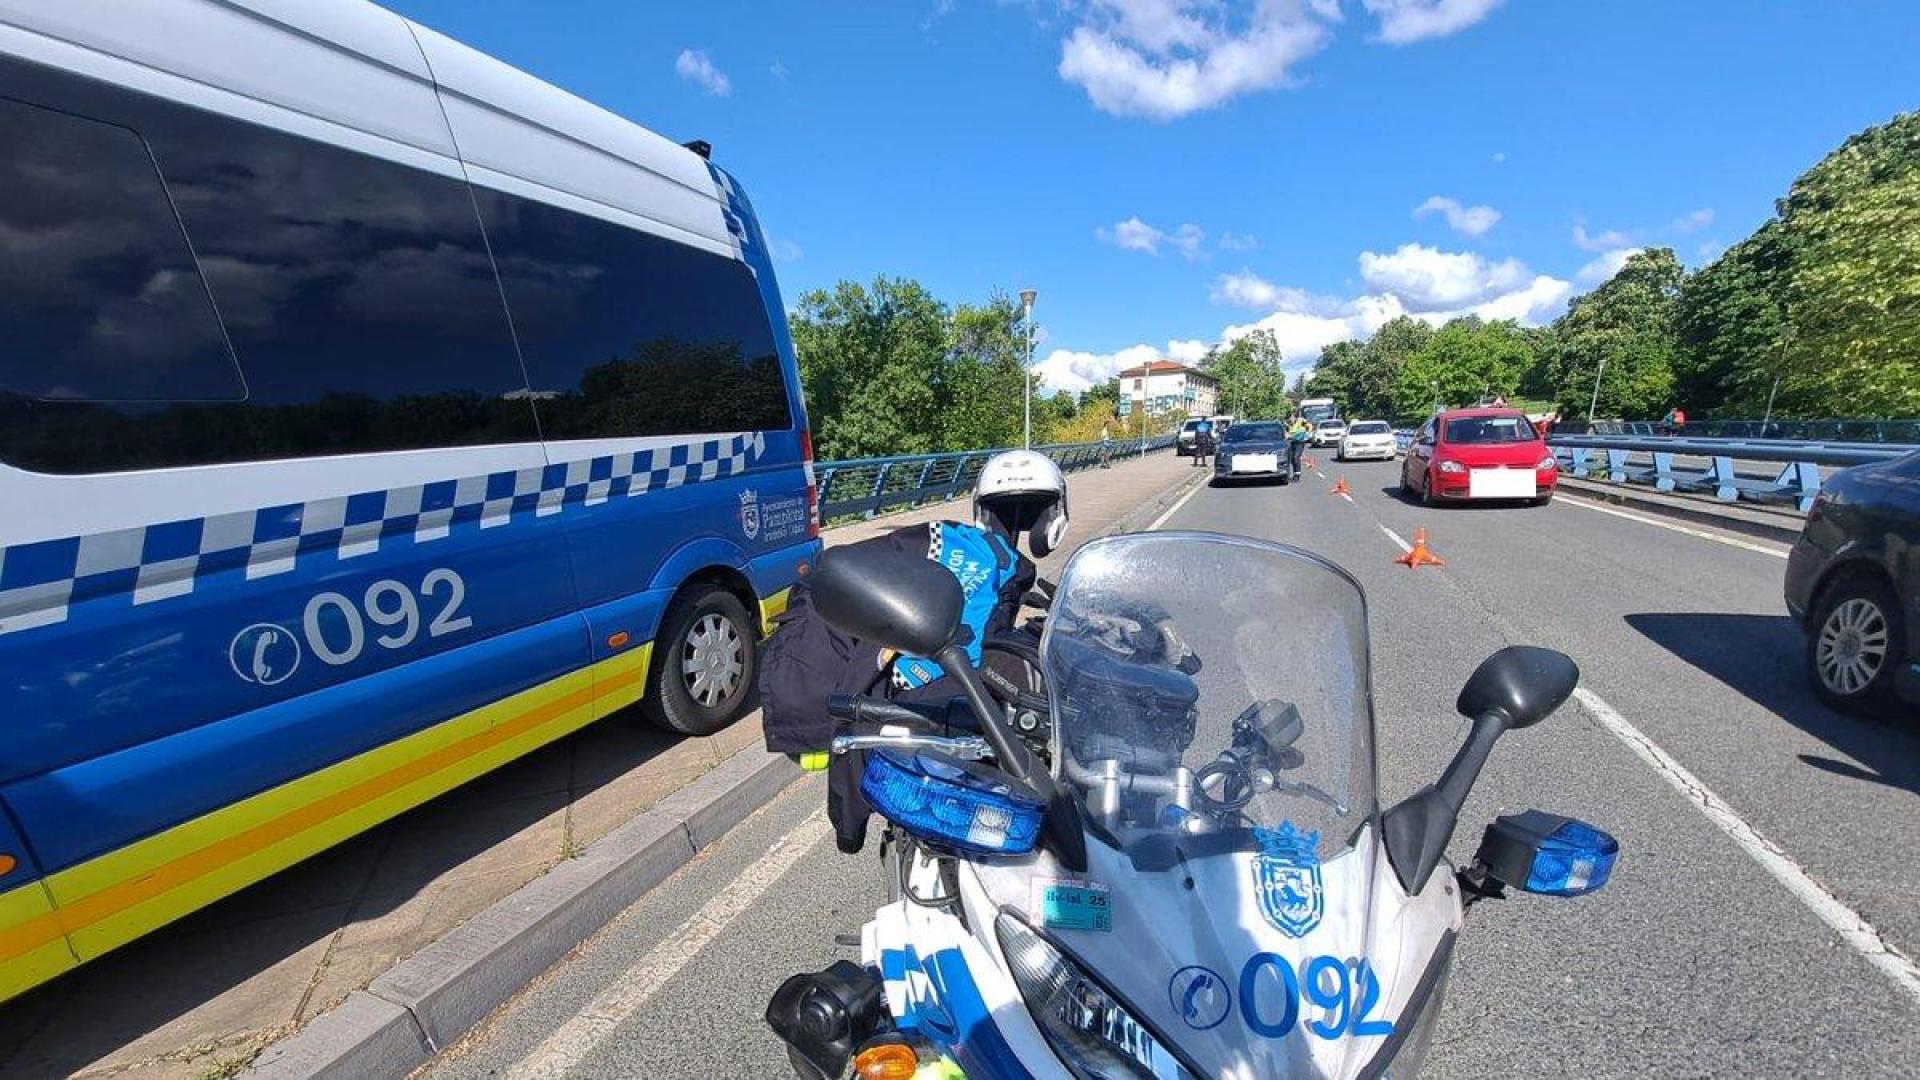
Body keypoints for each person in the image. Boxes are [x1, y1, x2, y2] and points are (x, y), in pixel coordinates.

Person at [1285, 413, 1312, 481]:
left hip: (1300, 442)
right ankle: (1295, 474)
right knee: (1292, 459)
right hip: (1292, 442)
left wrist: (1308, 434)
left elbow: (1309, 426)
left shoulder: (1300, 421)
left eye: (1291, 419)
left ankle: (1297, 476)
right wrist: (1287, 436)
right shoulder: (1288, 424)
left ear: (1294, 417)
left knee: (1296, 458)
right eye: (1289, 420)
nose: (1290, 420)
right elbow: (1288, 433)